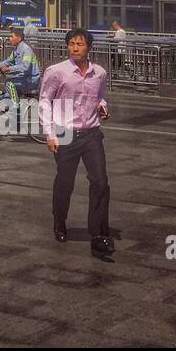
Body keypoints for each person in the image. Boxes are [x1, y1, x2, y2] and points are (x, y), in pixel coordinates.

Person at [39, 28, 113, 256]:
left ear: (89, 47)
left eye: (79, 44)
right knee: (65, 183)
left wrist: (102, 107)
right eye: (71, 44)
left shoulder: (99, 73)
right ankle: (59, 222)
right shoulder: (56, 72)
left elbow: (99, 96)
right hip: (65, 134)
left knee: (100, 182)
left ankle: (98, 233)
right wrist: (50, 134)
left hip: (91, 133)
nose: (75, 48)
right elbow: (45, 101)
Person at [0, 25, 40, 99]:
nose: (9, 39)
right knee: (6, 94)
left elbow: (25, 66)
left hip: (31, 79)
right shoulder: (16, 49)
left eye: (12, 37)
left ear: (19, 38)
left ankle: (15, 106)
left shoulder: (26, 50)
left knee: (9, 83)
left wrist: (9, 69)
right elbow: (9, 61)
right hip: (24, 77)